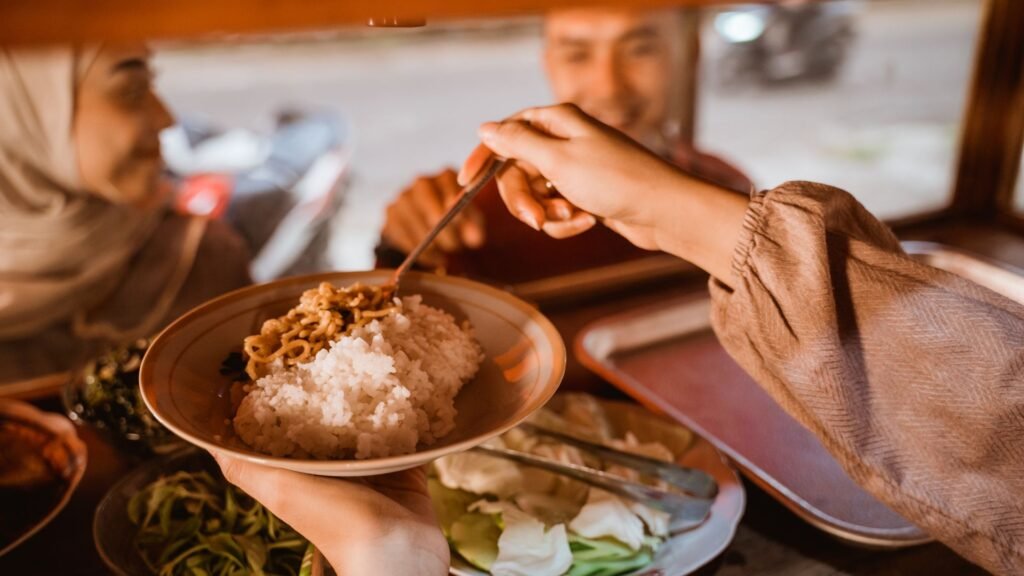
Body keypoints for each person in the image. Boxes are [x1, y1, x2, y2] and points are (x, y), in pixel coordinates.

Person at [219, 104, 1024, 576]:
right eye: (578, 46)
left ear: (682, 52)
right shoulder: (489, 197)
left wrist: (690, 209)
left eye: (639, 43)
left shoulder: (717, 170)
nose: (606, 80)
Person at [377, 7, 752, 281]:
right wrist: (400, 243)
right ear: (549, 64)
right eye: (577, 54)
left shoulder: (727, 187)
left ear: (690, 54)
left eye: (641, 49)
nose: (610, 87)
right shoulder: (486, 215)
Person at [0, 45, 251, 383]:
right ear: (22, 111)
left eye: (150, 85)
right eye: (132, 91)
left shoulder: (202, 262)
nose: (166, 117)